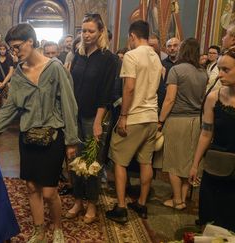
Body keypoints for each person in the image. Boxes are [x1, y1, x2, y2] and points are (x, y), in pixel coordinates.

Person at [0, 23, 79, 243]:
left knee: (49, 191)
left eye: (17, 46)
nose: (14, 52)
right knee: (30, 187)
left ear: (31, 41)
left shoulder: (55, 68)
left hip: (52, 137)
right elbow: (10, 107)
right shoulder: (18, 73)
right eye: (12, 49)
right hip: (27, 137)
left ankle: (57, 228)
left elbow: (69, 105)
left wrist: (72, 141)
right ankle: (39, 231)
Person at [189, 46, 235, 232]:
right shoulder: (214, 98)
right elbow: (206, 133)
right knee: (212, 224)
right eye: (219, 69)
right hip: (216, 170)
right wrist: (195, 164)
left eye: (226, 70)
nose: (220, 74)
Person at [106, 20, 162, 224]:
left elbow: (128, 88)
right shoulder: (156, 57)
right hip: (151, 117)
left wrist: (123, 116)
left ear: (132, 36)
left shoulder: (131, 55)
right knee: (146, 161)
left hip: (134, 117)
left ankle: (121, 208)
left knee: (119, 160)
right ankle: (141, 203)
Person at [67, 13, 119, 225]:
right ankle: (78, 200)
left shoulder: (109, 58)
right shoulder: (78, 54)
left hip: (93, 117)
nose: (86, 35)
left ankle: (91, 204)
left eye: (91, 31)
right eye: (83, 31)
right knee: (74, 161)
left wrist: (98, 122)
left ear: (100, 33)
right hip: (75, 116)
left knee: (91, 163)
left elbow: (106, 94)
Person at [155, 38, 207, 210]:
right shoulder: (203, 73)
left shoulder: (176, 70)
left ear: (182, 50)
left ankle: (177, 200)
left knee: (173, 163)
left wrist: (160, 120)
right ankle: (183, 198)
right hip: (197, 122)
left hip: (178, 121)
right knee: (187, 163)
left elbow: (169, 99)